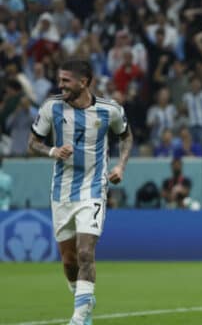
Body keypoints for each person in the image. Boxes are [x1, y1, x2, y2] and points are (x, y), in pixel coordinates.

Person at [28, 59, 133, 325]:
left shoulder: (109, 110)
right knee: (68, 261)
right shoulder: (52, 107)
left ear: (84, 82)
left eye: (66, 80)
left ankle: (79, 317)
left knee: (86, 252)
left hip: (94, 188)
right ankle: (83, 298)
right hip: (62, 190)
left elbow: (126, 135)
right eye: (60, 79)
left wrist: (120, 165)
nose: (60, 85)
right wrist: (53, 151)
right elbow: (33, 142)